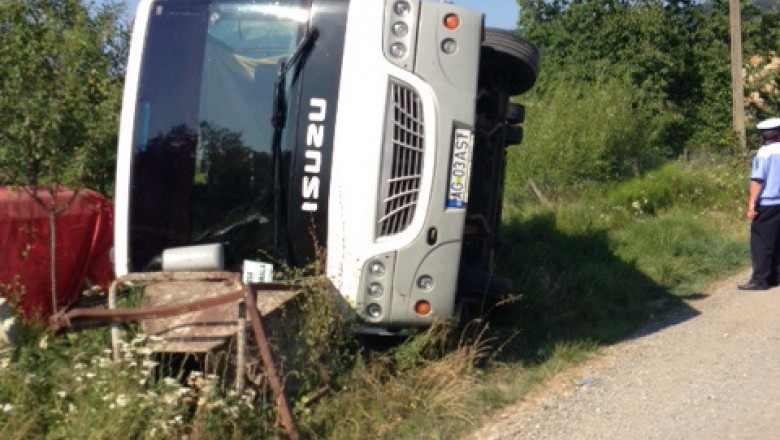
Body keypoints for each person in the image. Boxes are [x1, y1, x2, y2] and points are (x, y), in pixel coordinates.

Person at [739, 117, 780, 290]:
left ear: (763, 135)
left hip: (768, 202)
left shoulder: (763, 154)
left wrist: (751, 205)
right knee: (778, 239)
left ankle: (760, 279)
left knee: (761, 241)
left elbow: (757, 181)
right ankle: (775, 276)